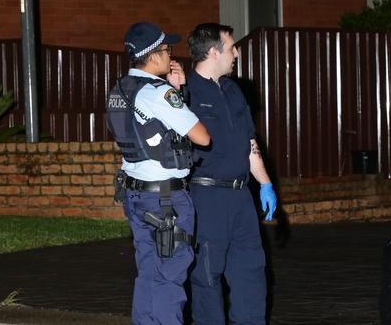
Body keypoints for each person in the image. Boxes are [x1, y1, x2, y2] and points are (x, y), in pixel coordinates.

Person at [105, 22, 210, 325]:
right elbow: (202, 136)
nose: (170, 55)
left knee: (149, 272)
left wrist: (174, 90)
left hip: (136, 195)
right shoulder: (158, 92)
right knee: (169, 277)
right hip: (165, 199)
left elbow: (146, 130)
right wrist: (176, 93)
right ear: (152, 55)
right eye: (167, 50)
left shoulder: (121, 88)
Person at [184, 23, 278, 325]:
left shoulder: (233, 90)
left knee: (252, 272)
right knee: (207, 277)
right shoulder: (185, 91)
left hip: (241, 198)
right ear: (214, 52)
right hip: (206, 197)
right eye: (232, 47)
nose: (236, 52)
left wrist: (265, 183)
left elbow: (250, 142)